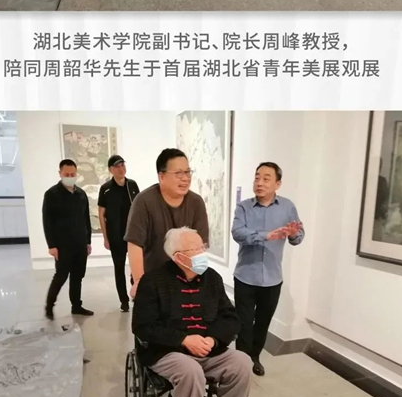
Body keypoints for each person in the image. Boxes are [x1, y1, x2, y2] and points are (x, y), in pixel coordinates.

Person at [130, 226, 252, 397]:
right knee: (190, 371)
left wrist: (213, 339)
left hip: (208, 349)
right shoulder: (153, 282)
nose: (202, 253)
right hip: (167, 351)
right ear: (178, 257)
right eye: (195, 249)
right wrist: (184, 339)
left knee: (243, 364)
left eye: (202, 247)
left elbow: (231, 317)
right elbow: (142, 327)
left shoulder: (212, 279)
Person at [231, 158, 304, 377]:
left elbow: (298, 236)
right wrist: (265, 235)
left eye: (266, 178)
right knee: (244, 323)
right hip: (245, 276)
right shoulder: (244, 207)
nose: (259, 183)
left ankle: (254, 357)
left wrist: (293, 234)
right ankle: (241, 363)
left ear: (277, 184)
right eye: (257, 178)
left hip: (272, 278)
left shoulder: (288, 207)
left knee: (263, 323)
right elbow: (238, 233)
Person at [127, 147, 211, 287]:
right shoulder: (144, 201)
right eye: (178, 173)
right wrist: (139, 282)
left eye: (187, 172)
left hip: (186, 279)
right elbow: (135, 244)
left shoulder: (196, 202)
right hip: (153, 278)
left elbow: (200, 245)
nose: (185, 178)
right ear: (162, 177)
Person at [42, 152, 92, 322]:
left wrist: (88, 242)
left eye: (73, 174)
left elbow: (86, 219)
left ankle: (76, 305)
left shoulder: (81, 194)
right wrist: (51, 245)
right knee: (61, 276)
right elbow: (47, 221)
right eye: (67, 175)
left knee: (78, 276)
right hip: (63, 245)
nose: (70, 177)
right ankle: (49, 307)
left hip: (80, 243)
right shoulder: (51, 194)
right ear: (60, 174)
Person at [97, 159, 137, 312]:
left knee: (136, 266)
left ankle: (137, 294)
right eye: (117, 166)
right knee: (119, 268)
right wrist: (105, 237)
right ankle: (123, 301)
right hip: (115, 235)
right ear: (110, 169)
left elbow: (139, 208)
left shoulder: (132, 185)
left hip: (132, 235)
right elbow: (101, 214)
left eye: (123, 165)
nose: (121, 169)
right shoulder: (106, 189)